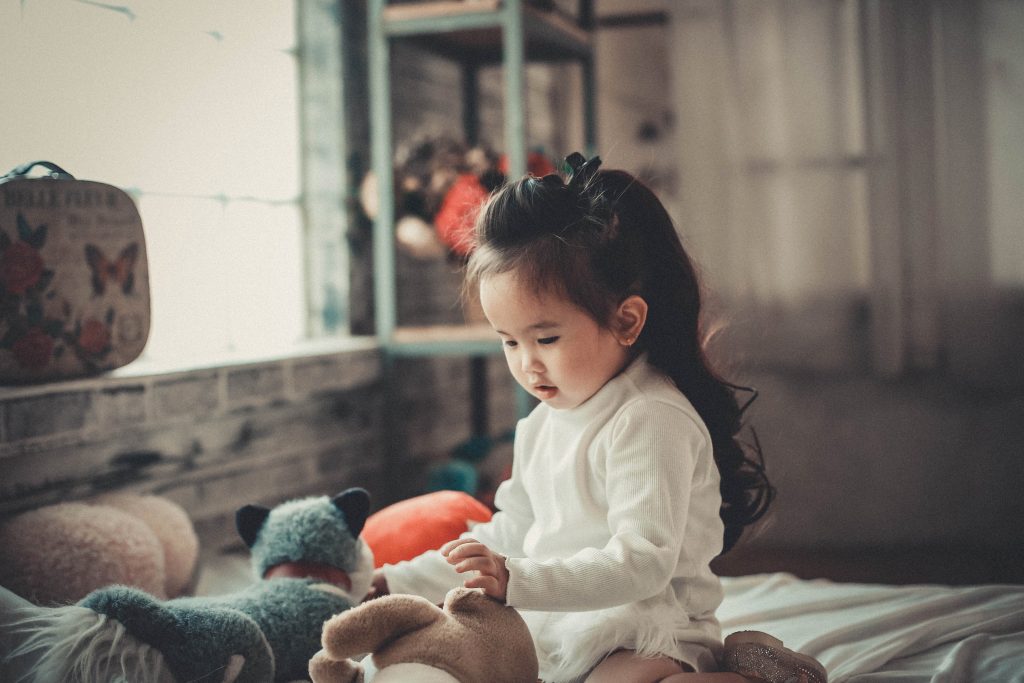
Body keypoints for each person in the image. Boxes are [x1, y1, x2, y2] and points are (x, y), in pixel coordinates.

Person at [371, 154, 827, 683]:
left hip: (651, 632)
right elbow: (513, 530)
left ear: (626, 320)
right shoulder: (544, 422)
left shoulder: (649, 417)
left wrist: (516, 580)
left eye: (546, 338)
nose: (527, 363)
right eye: (508, 341)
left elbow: (643, 563)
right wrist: (394, 581)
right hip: (555, 628)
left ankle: (753, 672)